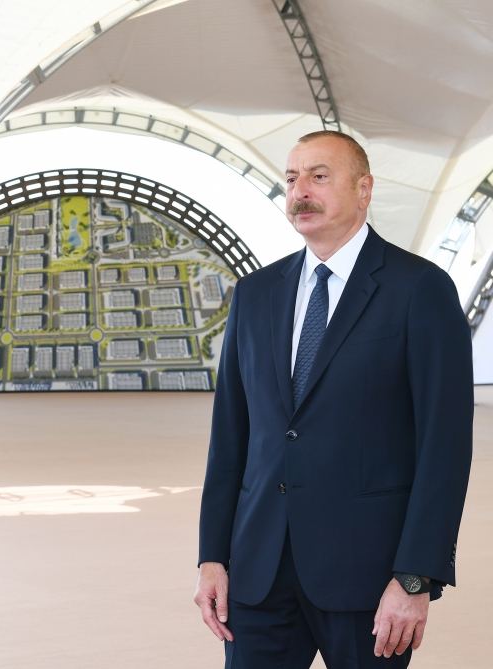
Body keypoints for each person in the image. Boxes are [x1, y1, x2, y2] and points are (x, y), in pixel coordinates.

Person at [193, 131, 472, 668]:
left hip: (370, 578)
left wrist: (415, 578)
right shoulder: (255, 294)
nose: (301, 191)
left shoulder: (420, 289)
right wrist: (212, 557)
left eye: (319, 176)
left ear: (364, 189)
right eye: (292, 178)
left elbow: (445, 447)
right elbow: (230, 439)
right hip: (258, 573)